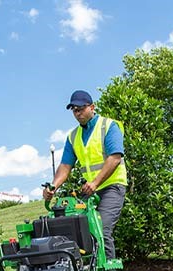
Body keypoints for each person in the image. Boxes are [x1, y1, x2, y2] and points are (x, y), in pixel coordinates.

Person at [43, 90, 128, 259]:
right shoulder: (73, 136)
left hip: (112, 186)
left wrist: (95, 182)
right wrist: (53, 186)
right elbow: (65, 166)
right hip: (91, 191)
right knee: (78, 230)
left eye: (81, 108)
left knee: (101, 229)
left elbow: (115, 158)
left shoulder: (108, 126)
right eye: (74, 110)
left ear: (92, 107)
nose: (77, 113)